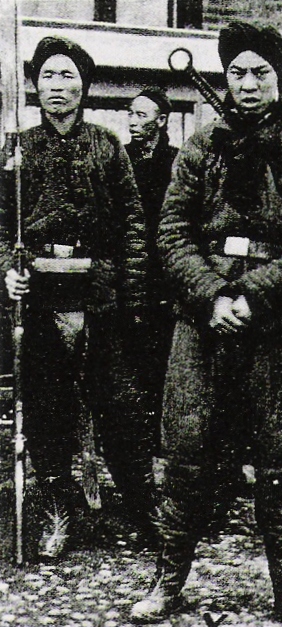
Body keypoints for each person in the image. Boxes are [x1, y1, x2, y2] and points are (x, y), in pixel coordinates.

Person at [130, 20, 282, 626]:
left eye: (262, 73)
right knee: (186, 449)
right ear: (226, 78)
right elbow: (170, 233)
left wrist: (253, 295)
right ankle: (169, 579)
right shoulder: (200, 148)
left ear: (279, 77)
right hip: (203, 321)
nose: (249, 85)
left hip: (277, 324)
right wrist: (213, 296)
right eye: (238, 73)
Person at [0, 35, 155, 559]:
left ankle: (141, 512)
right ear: (35, 86)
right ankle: (56, 512)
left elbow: (134, 225)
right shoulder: (17, 148)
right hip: (41, 301)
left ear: (85, 85)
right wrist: (8, 271)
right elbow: (2, 228)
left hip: (99, 297)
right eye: (48, 76)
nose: (57, 87)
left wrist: (127, 292)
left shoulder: (107, 145)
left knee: (121, 411)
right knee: (48, 415)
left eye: (68, 76)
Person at [126, 88, 179, 454]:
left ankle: (160, 437)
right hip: (130, 269)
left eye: (141, 115)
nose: (132, 121)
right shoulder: (121, 159)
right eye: (131, 113)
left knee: (161, 357)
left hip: (164, 274)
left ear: (161, 120)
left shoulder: (175, 162)